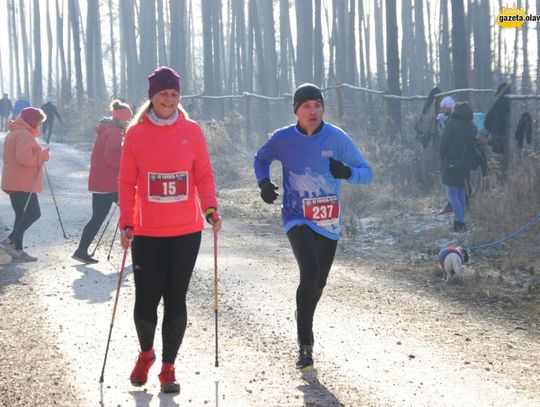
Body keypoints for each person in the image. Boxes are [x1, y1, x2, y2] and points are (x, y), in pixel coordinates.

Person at [253, 83, 372, 371]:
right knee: (309, 271)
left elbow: (366, 174)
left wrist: (347, 173)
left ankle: (303, 311)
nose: (313, 110)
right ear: (297, 110)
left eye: (317, 105)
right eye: (306, 106)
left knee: (318, 283)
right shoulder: (283, 139)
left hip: (329, 221)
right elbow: (260, 158)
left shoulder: (337, 138)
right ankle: (305, 346)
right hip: (297, 216)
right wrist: (264, 184)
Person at [118, 66, 222, 393]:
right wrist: (127, 221)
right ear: (152, 97)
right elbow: (127, 182)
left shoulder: (191, 131)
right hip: (147, 232)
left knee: (176, 299)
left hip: (185, 231)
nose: (169, 99)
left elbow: (203, 175)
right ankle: (146, 354)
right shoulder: (135, 134)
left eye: (174, 94)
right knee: (147, 300)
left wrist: (210, 208)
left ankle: (168, 368)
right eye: (163, 94)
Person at [72, 100, 133, 264]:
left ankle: (81, 251)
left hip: (101, 183)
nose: (129, 123)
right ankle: (141, 251)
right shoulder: (113, 132)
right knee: (134, 213)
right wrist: (129, 165)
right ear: (121, 119)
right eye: (127, 120)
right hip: (110, 184)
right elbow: (111, 157)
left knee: (97, 218)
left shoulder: (108, 130)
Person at [0, 107, 50, 262]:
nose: (40, 126)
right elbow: (25, 158)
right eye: (40, 123)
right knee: (34, 213)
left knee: (21, 216)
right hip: (22, 183)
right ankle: (9, 241)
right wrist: (42, 155)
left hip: (16, 181)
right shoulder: (23, 134)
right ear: (32, 122)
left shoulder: (16, 132)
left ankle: (18, 251)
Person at [440, 101, 476, 232]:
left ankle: (460, 224)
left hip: (451, 164)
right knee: (461, 192)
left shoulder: (452, 124)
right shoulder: (471, 125)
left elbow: (443, 144)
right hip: (465, 164)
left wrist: (443, 158)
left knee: (452, 195)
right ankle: (461, 220)